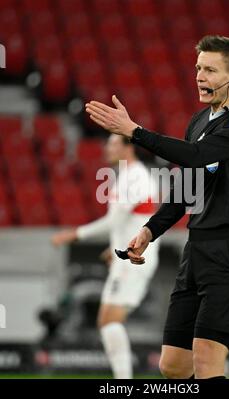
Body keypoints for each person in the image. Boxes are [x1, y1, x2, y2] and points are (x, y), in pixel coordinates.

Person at [85, 35, 229, 379]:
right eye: (198, 68)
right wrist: (149, 230)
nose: (200, 76)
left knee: (207, 357)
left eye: (210, 70)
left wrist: (134, 131)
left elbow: (198, 155)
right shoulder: (198, 123)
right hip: (195, 250)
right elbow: (186, 190)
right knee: (172, 365)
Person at [51, 135, 160, 379]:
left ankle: (124, 381)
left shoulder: (137, 177)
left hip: (135, 258)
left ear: (128, 147)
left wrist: (75, 234)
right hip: (127, 255)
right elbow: (131, 222)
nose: (107, 148)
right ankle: (123, 379)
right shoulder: (127, 176)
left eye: (113, 144)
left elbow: (115, 221)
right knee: (107, 321)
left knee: (110, 320)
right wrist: (114, 248)